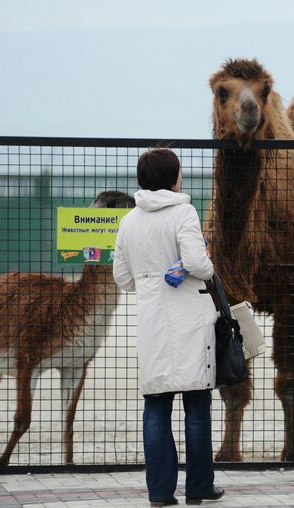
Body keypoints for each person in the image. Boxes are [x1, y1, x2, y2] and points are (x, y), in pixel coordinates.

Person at [113, 148, 225, 507]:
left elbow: (122, 279)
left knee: (156, 406)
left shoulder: (129, 220)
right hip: (189, 319)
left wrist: (152, 278)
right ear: (174, 177)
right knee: (196, 403)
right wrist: (194, 264)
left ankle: (160, 492)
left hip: (151, 320)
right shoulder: (184, 212)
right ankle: (199, 488)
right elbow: (199, 265)